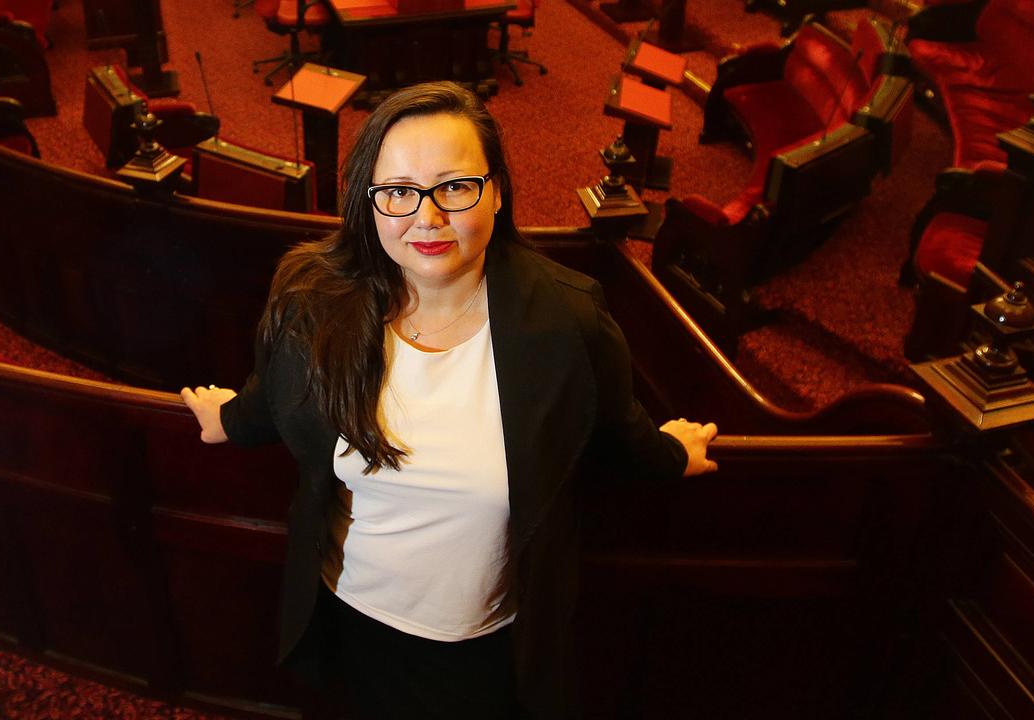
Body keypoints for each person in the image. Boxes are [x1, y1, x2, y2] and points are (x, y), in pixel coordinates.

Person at [182, 81, 717, 720]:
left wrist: (670, 455)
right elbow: (277, 396)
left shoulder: (564, 318)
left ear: (495, 191)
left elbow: (611, 426)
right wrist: (228, 422)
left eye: (454, 187)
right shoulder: (314, 300)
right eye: (399, 192)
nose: (426, 218)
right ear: (368, 201)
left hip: (481, 642)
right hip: (347, 610)